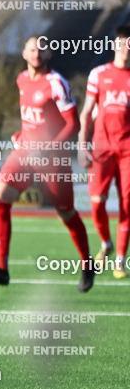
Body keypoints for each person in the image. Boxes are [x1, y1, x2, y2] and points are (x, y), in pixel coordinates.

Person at [0, 35, 93, 291]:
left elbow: (73, 124)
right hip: (25, 153)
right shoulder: (21, 79)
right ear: (24, 53)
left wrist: (48, 149)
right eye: (32, 49)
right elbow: (31, 117)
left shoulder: (56, 83)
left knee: (66, 213)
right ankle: (2, 269)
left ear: (49, 54)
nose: (37, 54)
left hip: (52, 159)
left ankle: (87, 264)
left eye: (42, 49)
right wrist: (22, 134)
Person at [78, 25, 130, 279]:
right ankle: (106, 243)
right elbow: (87, 112)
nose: (125, 48)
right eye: (122, 42)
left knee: (127, 204)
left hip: (128, 149)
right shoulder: (99, 74)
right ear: (115, 45)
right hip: (101, 147)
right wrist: (81, 143)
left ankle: (120, 259)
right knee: (97, 202)